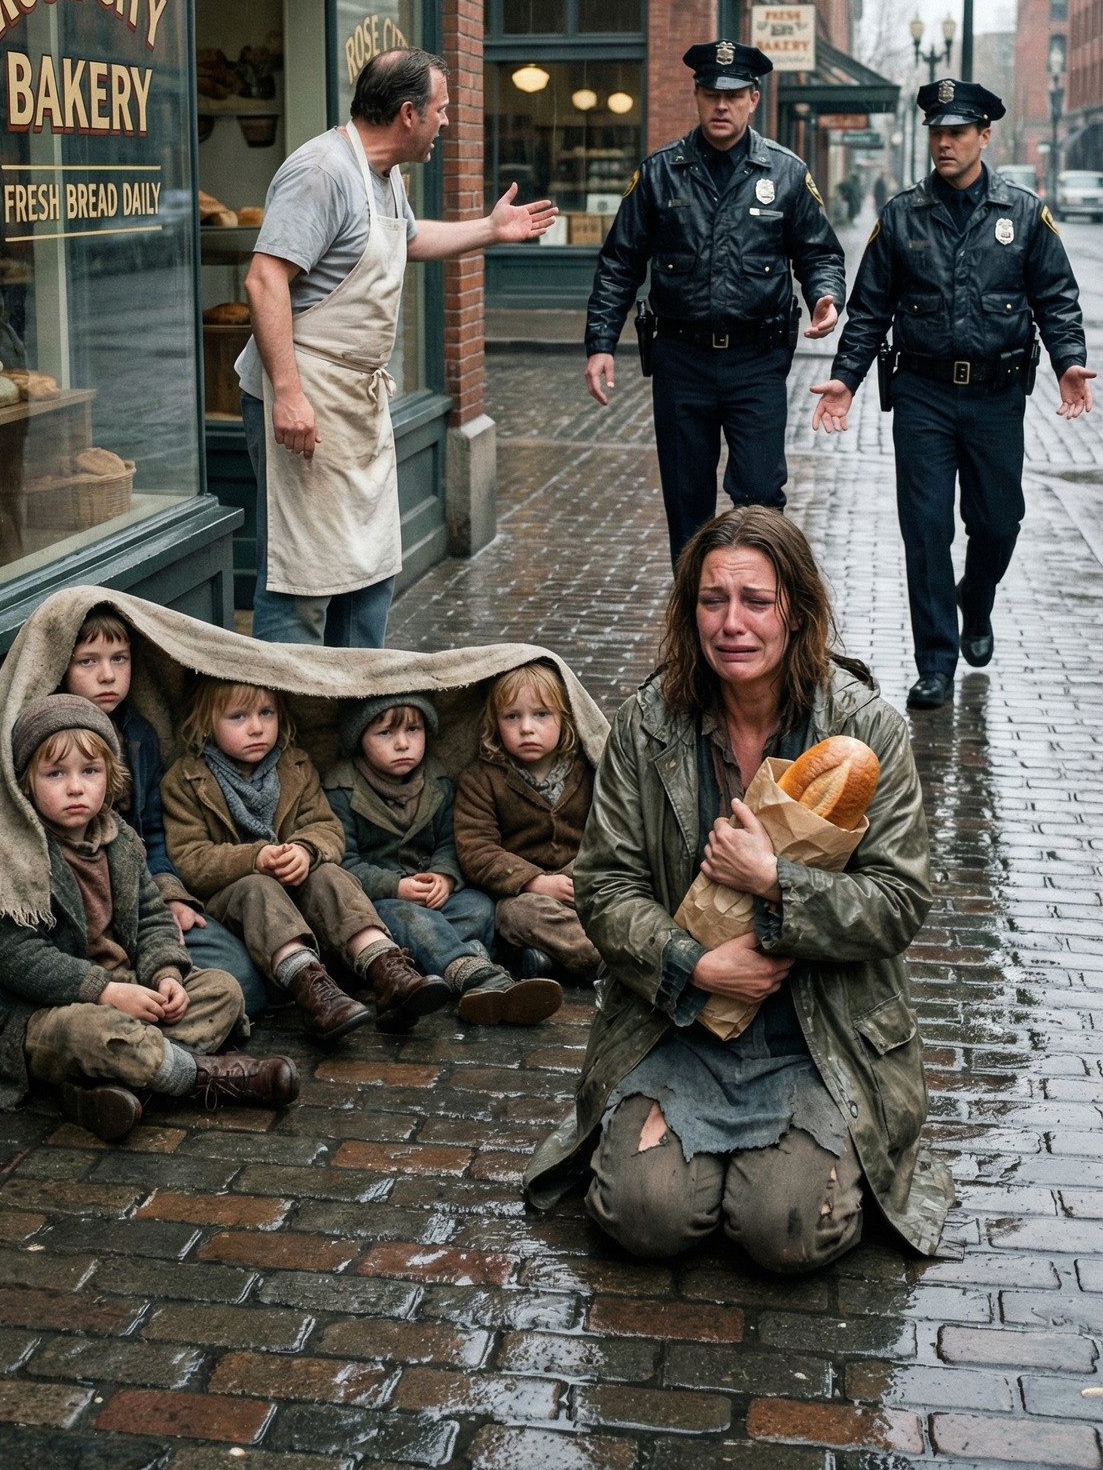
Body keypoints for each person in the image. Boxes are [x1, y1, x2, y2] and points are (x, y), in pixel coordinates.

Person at [523, 509, 955, 1272]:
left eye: (755, 601)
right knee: (642, 1221)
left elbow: (897, 902)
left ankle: (789, 1168)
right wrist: (693, 964)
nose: (731, 624)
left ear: (797, 611)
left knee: (785, 1234)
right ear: (688, 612)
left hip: (818, 1037)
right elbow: (605, 886)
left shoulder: (866, 731)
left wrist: (774, 882)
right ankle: (700, 1168)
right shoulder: (646, 725)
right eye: (711, 600)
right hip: (675, 1028)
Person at [238, 46, 556, 649]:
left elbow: (407, 240)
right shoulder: (323, 171)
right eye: (442, 109)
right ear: (409, 114)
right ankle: (286, 707)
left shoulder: (382, 176)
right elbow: (264, 279)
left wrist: (490, 230)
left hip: (354, 402)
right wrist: (288, 394)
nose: (446, 122)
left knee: (368, 570)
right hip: (306, 401)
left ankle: (359, 699)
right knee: (302, 581)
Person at [811, 78, 1094, 709]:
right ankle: (935, 661)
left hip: (996, 397)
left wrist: (1069, 361)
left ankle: (977, 597)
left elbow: (1056, 298)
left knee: (998, 521)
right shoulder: (902, 215)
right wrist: (846, 380)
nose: (944, 143)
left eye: (958, 132)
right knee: (925, 528)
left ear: (984, 136)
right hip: (923, 396)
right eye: (937, 132)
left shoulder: (1023, 213)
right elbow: (869, 309)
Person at [0, 695, 298, 1141]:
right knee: (94, 1032)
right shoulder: (16, 854)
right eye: (55, 774)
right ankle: (203, 1078)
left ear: (110, 775)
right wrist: (106, 992)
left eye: (90, 771)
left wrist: (166, 975)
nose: (76, 787)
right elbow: (19, 959)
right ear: (26, 782)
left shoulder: (120, 840)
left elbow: (153, 918)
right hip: (41, 1011)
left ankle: (106, 1085)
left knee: (222, 990)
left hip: (127, 987)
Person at [583, 40, 845, 567]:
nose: (721, 105)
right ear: (697, 96)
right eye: (710, 94)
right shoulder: (660, 173)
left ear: (753, 99)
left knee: (761, 499)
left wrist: (825, 295)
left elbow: (819, 252)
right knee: (687, 505)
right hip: (682, 360)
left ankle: (757, 603)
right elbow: (620, 261)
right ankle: (693, 614)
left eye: (733, 95)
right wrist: (601, 342)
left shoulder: (786, 173)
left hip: (757, 360)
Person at [161, 679, 449, 1039]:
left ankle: (387, 972)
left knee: (329, 875)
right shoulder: (185, 780)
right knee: (258, 888)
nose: (256, 727)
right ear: (206, 723)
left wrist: (304, 849)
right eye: (238, 717)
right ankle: (314, 994)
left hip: (297, 890)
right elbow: (190, 858)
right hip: (233, 900)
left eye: (266, 713)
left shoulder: (294, 764)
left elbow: (326, 826)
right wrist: (255, 857)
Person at [62, 608, 270, 1018]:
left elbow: (154, 833)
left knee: (247, 982)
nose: (107, 675)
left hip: (143, 900)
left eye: (119, 658)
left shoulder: (139, 736)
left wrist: (169, 895)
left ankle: (157, 1004)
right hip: (87, 912)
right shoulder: (51, 741)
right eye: (88, 661)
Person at [327, 694, 563, 1026]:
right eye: (385, 733)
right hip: (381, 903)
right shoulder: (342, 790)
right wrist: (396, 886)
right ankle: (477, 975)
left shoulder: (437, 781)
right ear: (359, 739)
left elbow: (451, 842)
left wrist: (445, 876)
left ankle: (445, 968)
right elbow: (342, 864)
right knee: (408, 919)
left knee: (479, 907)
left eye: (413, 730)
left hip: (434, 898)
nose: (402, 744)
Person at [455, 663, 601, 985]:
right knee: (513, 915)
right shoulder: (480, 779)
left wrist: (578, 875)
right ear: (494, 723)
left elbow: (608, 831)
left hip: (581, 881)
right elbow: (476, 850)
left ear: (565, 719)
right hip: (525, 897)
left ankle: (552, 961)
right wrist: (534, 881)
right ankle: (611, 962)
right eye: (512, 716)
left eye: (541, 714)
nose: (526, 728)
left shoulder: (588, 770)